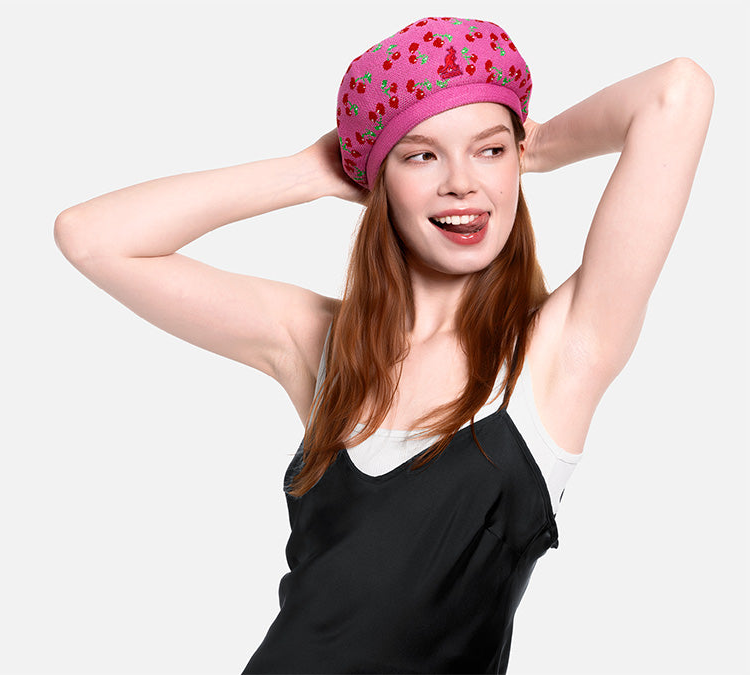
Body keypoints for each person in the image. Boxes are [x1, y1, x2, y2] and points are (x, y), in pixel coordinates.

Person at [53, 14, 713, 675]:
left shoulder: (559, 355)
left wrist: (535, 145)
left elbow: (677, 94)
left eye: (488, 150)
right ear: (379, 181)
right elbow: (91, 237)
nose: (461, 182)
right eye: (421, 154)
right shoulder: (320, 344)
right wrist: (311, 170)